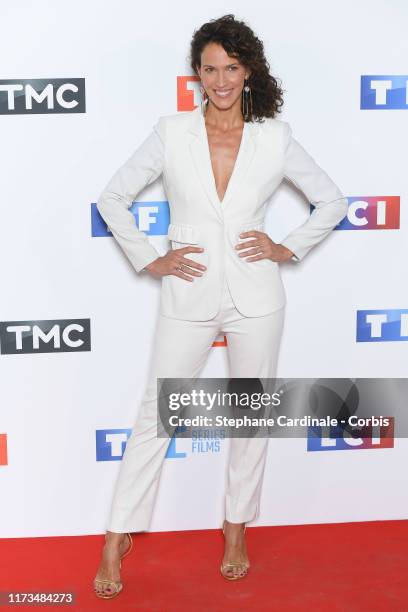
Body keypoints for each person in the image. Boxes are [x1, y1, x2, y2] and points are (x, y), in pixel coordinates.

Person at [93, 14, 348, 598]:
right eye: (209, 69)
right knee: (158, 415)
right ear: (197, 75)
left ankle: (235, 529)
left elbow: (331, 201)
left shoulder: (273, 138)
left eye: (231, 68)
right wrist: (148, 257)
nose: (221, 80)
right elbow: (112, 197)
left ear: (248, 70)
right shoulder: (171, 131)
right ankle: (116, 536)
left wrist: (288, 246)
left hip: (257, 295)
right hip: (189, 290)